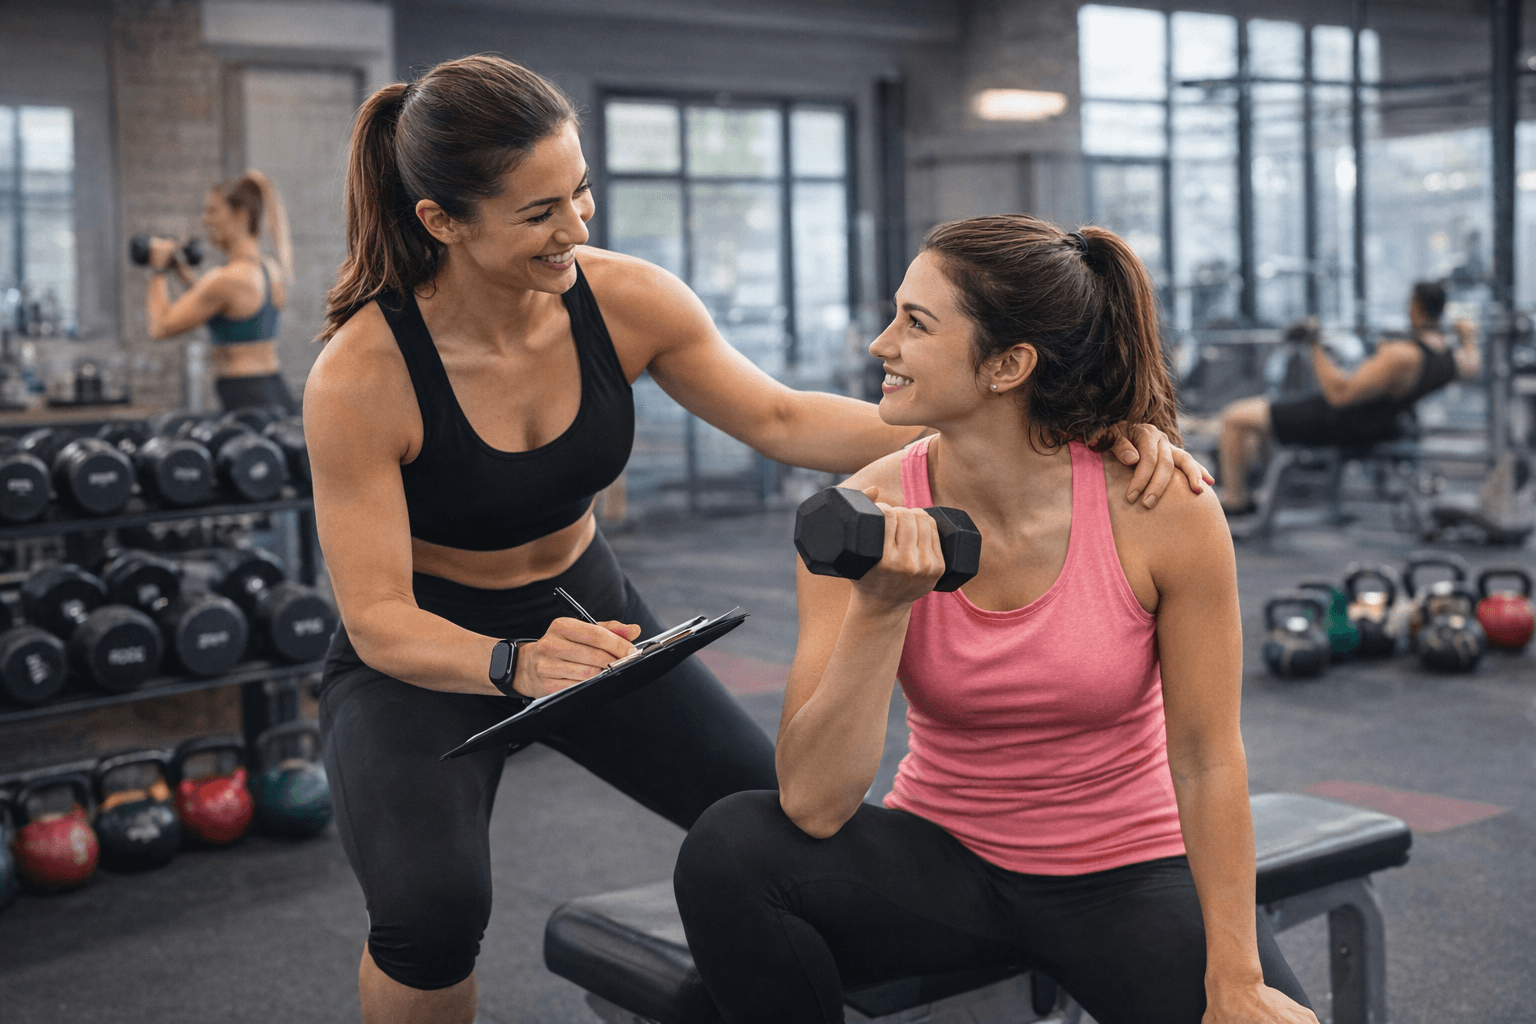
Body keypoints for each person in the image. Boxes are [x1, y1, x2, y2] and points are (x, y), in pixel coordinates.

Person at [303, 56, 1210, 1024]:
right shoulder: (361, 377)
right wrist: (510, 660)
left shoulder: (624, 302)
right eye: (538, 214)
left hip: (587, 610)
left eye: (580, 192)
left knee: (788, 834)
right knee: (431, 913)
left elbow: (782, 420)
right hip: (424, 652)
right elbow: (377, 616)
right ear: (442, 220)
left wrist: (1060, 423)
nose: (576, 227)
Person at [673, 216, 1317, 1024]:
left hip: (1126, 873)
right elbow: (812, 804)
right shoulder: (865, 513)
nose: (881, 344)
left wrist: (1235, 976)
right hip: (943, 869)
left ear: (1008, 365)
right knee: (732, 849)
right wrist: (880, 608)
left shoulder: (1159, 507)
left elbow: (1206, 756)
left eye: (915, 323)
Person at [1218, 281, 1479, 514]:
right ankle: (1260, 491)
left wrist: (1314, 344)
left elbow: (1339, 394)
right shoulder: (1447, 357)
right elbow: (1473, 364)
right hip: (1378, 423)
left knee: (1234, 416)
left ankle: (1235, 500)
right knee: (1257, 420)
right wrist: (1467, 335)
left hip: (1342, 421)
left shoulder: (1402, 354)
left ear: (1415, 307)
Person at [142, 169, 298, 412]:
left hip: (248, 398)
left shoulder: (226, 280)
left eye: (213, 211)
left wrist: (158, 270)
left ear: (240, 215)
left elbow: (159, 327)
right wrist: (183, 273)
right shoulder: (269, 268)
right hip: (272, 390)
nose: (205, 220)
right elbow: (222, 306)